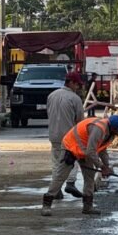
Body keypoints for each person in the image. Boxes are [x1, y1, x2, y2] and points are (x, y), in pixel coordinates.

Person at [41, 114, 118, 217]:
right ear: (113, 128)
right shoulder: (98, 129)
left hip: (85, 150)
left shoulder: (111, 134)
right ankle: (46, 205)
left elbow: (102, 150)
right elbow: (91, 151)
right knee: (61, 176)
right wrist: (102, 167)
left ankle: (87, 207)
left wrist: (106, 166)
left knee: (89, 176)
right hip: (71, 146)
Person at [46, 71, 86, 199]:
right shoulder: (75, 98)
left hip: (54, 134)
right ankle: (70, 183)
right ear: (72, 83)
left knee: (56, 162)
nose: (78, 87)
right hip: (69, 136)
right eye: (77, 84)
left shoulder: (52, 95)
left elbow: (49, 114)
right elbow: (80, 121)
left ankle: (56, 189)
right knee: (71, 160)